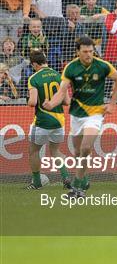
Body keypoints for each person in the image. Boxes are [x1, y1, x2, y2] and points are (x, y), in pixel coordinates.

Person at [43, 36, 117, 198]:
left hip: (95, 114)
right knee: (78, 152)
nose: (88, 55)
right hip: (76, 114)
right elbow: (62, 92)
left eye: (91, 51)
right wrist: (51, 104)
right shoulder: (70, 68)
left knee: (86, 148)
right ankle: (84, 181)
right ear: (77, 51)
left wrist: (113, 103)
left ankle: (77, 187)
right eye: (85, 51)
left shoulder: (102, 66)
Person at [26, 49, 71, 190]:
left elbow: (33, 102)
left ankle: (37, 182)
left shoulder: (33, 78)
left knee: (33, 151)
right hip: (59, 121)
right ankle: (66, 177)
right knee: (56, 151)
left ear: (34, 64)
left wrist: (27, 100)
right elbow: (67, 101)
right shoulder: (59, 76)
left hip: (42, 122)